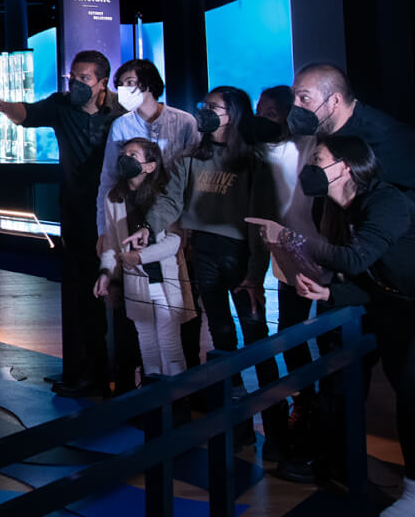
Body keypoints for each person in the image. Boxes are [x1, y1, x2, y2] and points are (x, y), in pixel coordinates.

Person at [248, 135, 415, 517]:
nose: (310, 167)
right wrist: (329, 296)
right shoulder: (350, 213)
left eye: (318, 159)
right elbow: (376, 280)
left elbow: (356, 260)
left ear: (344, 166)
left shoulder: (386, 200)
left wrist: (290, 237)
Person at [0, 49, 118, 397]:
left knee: (117, 297)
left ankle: (119, 374)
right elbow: (26, 114)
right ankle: (87, 373)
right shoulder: (61, 105)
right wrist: (2, 105)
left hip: (116, 218)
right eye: (72, 77)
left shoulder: (121, 113)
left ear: (102, 82)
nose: (75, 83)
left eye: (84, 78)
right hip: (76, 216)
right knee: (81, 295)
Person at [174, 85, 284, 446]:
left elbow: (261, 221)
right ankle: (235, 425)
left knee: (256, 336)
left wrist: (255, 273)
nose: (206, 111)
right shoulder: (194, 153)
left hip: (239, 253)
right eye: (203, 104)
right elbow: (176, 201)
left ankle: (277, 425)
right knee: (221, 335)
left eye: (214, 106)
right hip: (202, 251)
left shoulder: (254, 160)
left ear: (233, 112)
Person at [289, 63, 415, 256]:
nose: (296, 107)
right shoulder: (319, 132)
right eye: (294, 98)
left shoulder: (386, 136)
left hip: (398, 257)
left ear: (334, 100)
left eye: (304, 98)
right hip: (346, 254)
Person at [252, 85, 320, 480]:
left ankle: (319, 420)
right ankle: (301, 410)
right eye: (260, 112)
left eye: (271, 113)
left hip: (326, 256)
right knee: (292, 335)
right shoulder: (264, 154)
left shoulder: (314, 150)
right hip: (287, 259)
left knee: (329, 338)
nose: (264, 119)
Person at [95, 138, 196, 378]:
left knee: (170, 345)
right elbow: (111, 241)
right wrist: (106, 273)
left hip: (164, 280)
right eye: (124, 154)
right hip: (135, 283)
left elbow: (175, 241)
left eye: (133, 155)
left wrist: (140, 257)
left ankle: (177, 401)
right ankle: (153, 403)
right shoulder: (114, 198)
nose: (125, 159)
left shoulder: (164, 197)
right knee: (147, 345)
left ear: (150, 166)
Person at [96, 59, 201, 236]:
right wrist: (104, 231)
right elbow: (108, 178)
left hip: (176, 211)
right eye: (120, 85)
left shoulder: (185, 122)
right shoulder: (121, 125)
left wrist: (190, 223)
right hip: (134, 211)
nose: (124, 89)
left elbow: (196, 176)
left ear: (148, 83)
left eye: (130, 82)